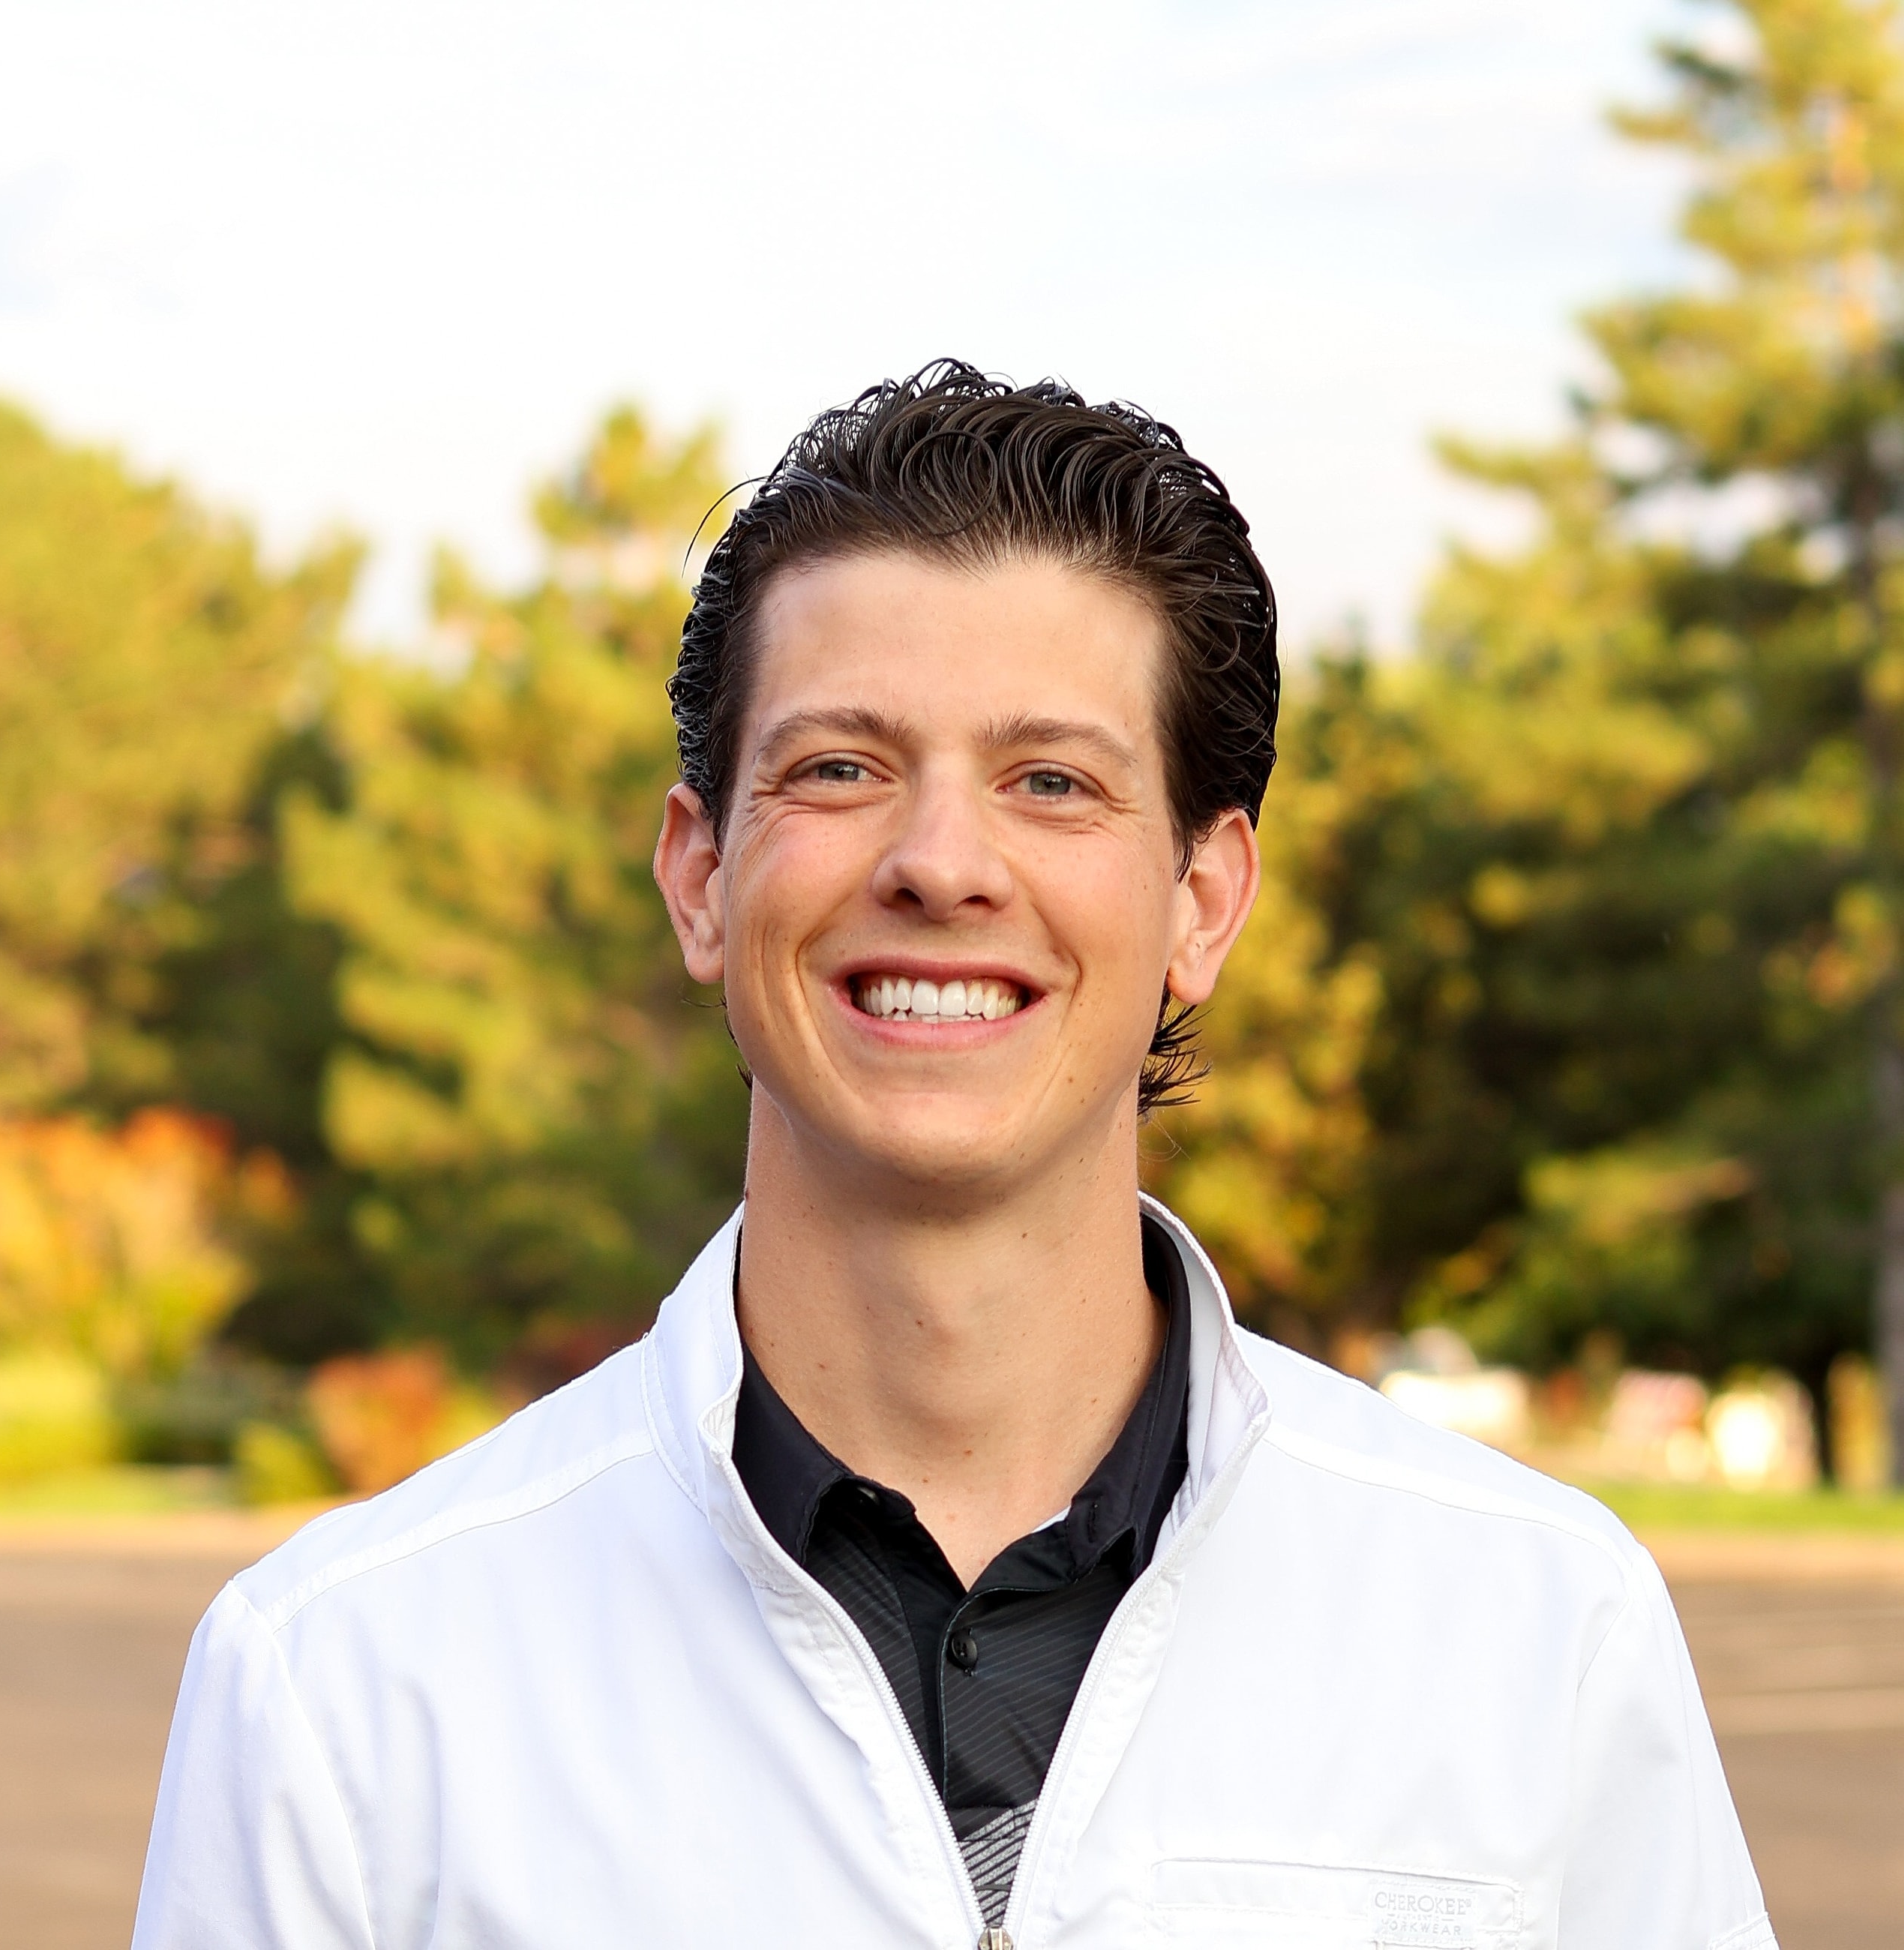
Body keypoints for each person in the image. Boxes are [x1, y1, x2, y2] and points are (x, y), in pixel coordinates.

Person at [133, 363, 1775, 1950]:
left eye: (1050, 781)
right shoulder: (345, 1681)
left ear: (1204, 901)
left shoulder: (1538, 1626)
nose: (939, 861)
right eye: (840, 769)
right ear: (700, 878)